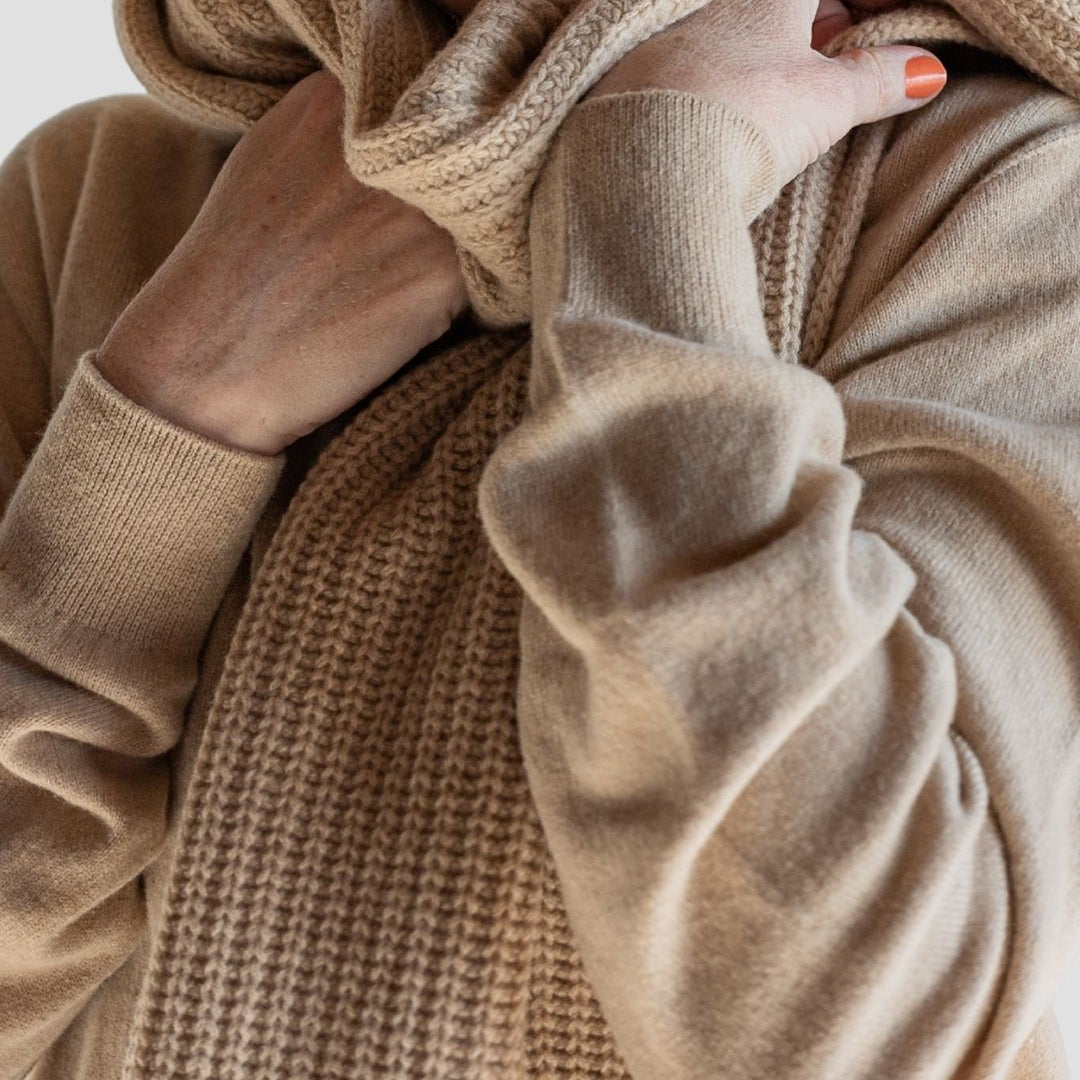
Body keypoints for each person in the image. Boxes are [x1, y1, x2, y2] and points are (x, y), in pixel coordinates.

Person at [0, 0, 1077, 1077]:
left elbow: (875, 1036)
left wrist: (650, 200)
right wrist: (167, 412)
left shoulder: (1010, 201)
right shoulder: (97, 192)